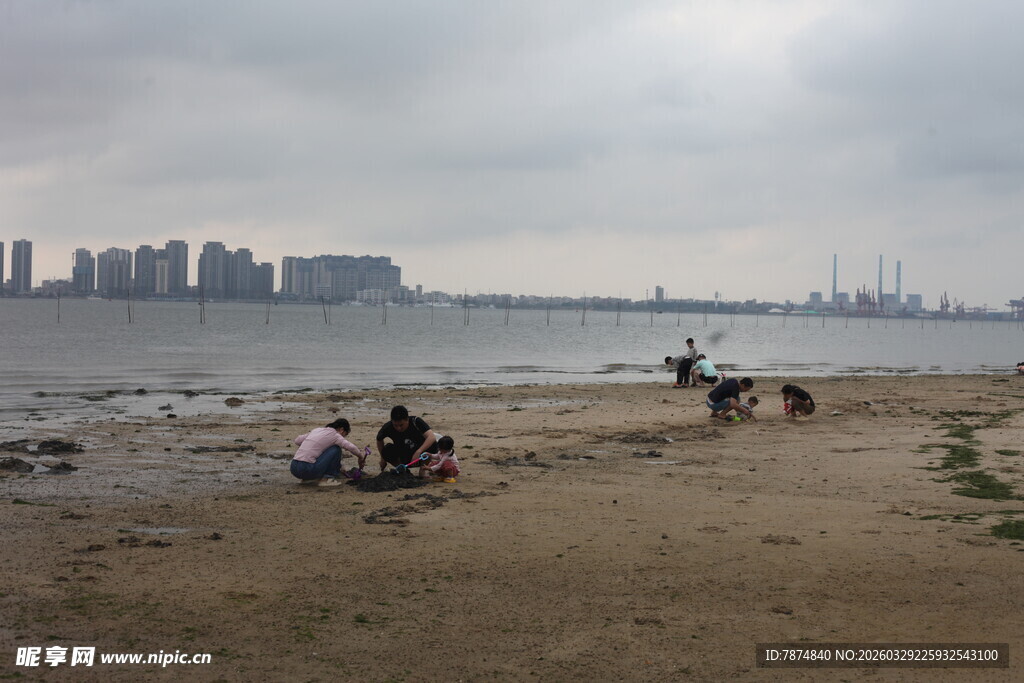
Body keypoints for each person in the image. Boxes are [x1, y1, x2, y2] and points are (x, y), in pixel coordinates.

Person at [290, 418, 369, 487]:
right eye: (345, 434)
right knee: (336, 449)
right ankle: (327, 479)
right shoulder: (335, 435)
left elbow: (297, 440)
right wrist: (360, 456)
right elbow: (351, 447)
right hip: (308, 469)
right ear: (341, 430)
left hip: (294, 468)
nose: (343, 437)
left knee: (323, 449)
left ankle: (307, 479)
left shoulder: (317, 430)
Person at [376, 405, 438, 472]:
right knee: (386, 450)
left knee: (432, 444)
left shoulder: (416, 422)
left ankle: (425, 467)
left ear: (407, 420)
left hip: (421, 454)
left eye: (401, 425)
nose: (398, 428)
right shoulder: (388, 427)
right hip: (404, 454)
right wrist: (382, 459)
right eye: (395, 425)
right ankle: (401, 468)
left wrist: (418, 451)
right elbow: (379, 439)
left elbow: (431, 437)